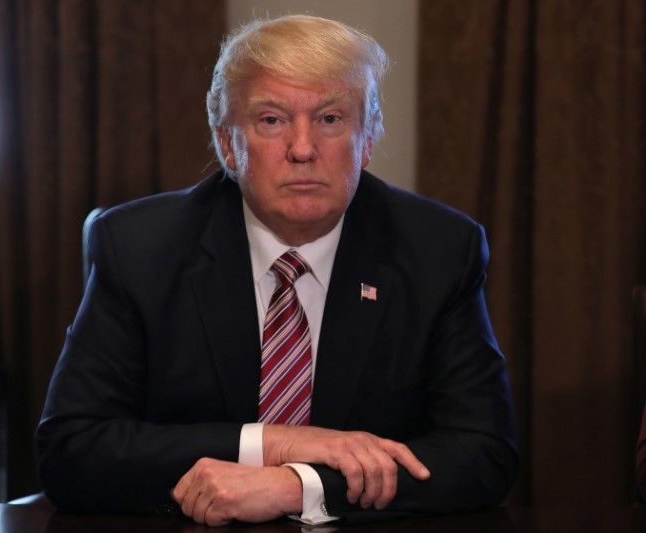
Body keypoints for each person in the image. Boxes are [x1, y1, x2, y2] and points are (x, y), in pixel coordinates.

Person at [36, 14, 517, 525]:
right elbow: (72, 451)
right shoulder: (139, 247)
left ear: (368, 140)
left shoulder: (438, 250)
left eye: (331, 119)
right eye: (272, 120)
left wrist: (299, 484)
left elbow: (483, 456)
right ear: (227, 144)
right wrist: (280, 442)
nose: (303, 149)